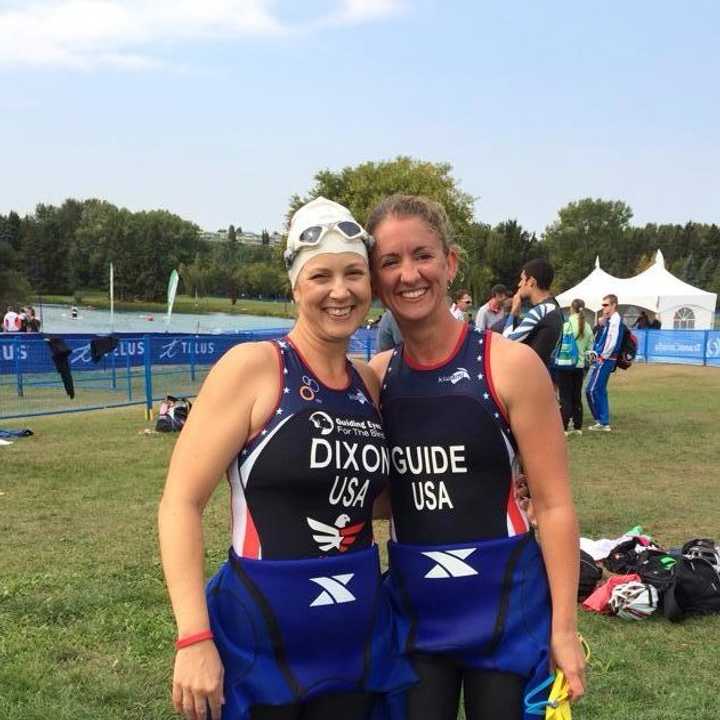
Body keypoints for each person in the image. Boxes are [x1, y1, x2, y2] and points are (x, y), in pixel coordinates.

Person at [158, 197, 413, 720]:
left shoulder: (368, 382)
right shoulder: (253, 368)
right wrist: (193, 637)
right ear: (296, 285)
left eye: (353, 274)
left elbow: (366, 500)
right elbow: (180, 503)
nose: (339, 291)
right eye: (321, 275)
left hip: (355, 632)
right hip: (262, 633)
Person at [366, 194, 585, 720]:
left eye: (422, 255)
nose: (409, 274)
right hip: (417, 614)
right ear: (374, 279)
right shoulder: (375, 378)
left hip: (507, 608)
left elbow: (554, 506)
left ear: (451, 261)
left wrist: (564, 629)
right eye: (390, 262)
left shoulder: (511, 366)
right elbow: (376, 500)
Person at [502, 259, 564, 368]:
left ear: (531, 282)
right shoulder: (554, 307)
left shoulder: (543, 310)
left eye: (522, 279)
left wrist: (513, 312)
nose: (519, 284)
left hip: (533, 377)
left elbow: (506, 342)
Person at [556, 299, 595, 435]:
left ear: (572, 309)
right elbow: (590, 347)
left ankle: (565, 427)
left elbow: (558, 343)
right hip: (580, 365)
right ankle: (578, 426)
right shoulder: (588, 327)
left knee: (565, 396)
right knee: (576, 395)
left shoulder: (566, 325)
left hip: (565, 364)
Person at [585, 294, 622, 432]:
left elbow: (611, 342)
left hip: (606, 358)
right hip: (604, 358)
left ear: (613, 305)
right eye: (603, 305)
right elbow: (603, 338)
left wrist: (602, 356)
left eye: (606, 305)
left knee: (592, 389)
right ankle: (603, 421)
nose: (604, 307)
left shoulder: (615, 321)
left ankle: (601, 421)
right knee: (599, 389)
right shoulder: (610, 320)